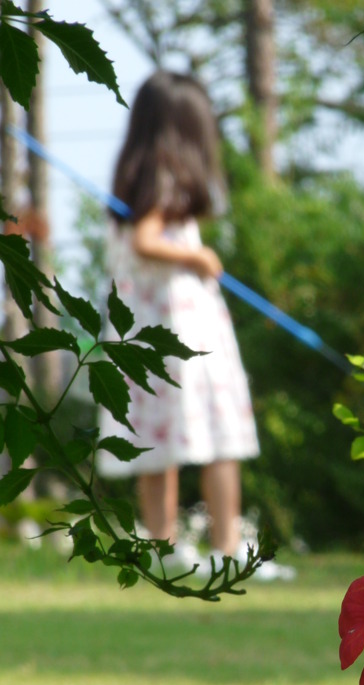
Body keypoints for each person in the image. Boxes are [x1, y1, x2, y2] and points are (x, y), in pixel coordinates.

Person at [97, 70, 260, 574]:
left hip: (145, 325)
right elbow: (147, 241)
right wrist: (197, 257)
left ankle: (164, 549)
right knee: (217, 434)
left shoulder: (134, 172)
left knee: (155, 442)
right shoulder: (163, 175)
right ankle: (225, 546)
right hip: (177, 327)